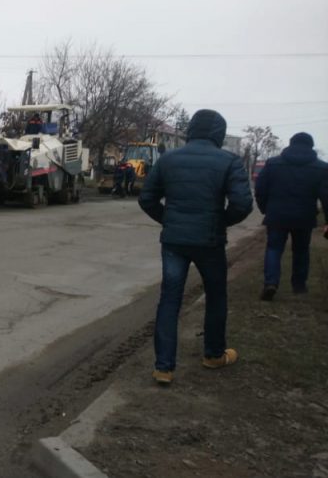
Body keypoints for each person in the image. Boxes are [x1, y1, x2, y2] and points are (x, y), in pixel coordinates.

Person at [138, 109, 253, 385]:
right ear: (219, 134)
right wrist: (220, 221)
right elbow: (243, 204)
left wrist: (168, 219)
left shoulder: (168, 160)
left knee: (169, 299)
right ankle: (213, 354)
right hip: (209, 242)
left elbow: (147, 199)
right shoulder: (229, 161)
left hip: (174, 241)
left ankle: (163, 367)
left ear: (191, 130)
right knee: (215, 296)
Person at [254, 132, 328, 301]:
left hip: (277, 215)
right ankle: (299, 286)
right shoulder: (322, 167)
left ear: (290, 143)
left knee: (273, 249)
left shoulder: (272, 164)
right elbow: (326, 197)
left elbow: (260, 189)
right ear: (311, 146)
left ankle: (271, 283)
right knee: (301, 251)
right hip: (305, 216)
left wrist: (265, 209)